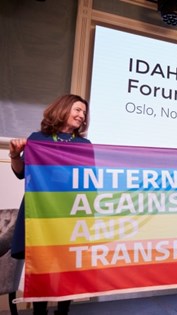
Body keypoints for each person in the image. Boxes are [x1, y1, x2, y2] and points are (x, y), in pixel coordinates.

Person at [9, 94, 92, 315]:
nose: (81, 115)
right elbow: (20, 173)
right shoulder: (38, 139)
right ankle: (39, 311)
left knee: (67, 266)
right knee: (42, 265)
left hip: (68, 212)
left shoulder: (84, 145)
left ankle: (63, 310)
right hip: (40, 212)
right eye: (77, 110)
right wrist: (15, 156)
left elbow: (88, 180)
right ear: (63, 110)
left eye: (83, 112)